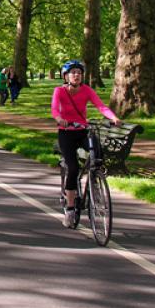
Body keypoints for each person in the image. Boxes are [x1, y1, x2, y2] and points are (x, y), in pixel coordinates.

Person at [51, 59, 121, 228]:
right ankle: (69, 208)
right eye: (73, 73)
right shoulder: (59, 91)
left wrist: (113, 117)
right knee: (73, 168)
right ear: (66, 76)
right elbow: (54, 108)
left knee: (97, 155)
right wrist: (60, 119)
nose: (76, 75)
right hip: (66, 133)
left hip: (82, 131)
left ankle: (95, 179)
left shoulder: (87, 90)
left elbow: (101, 106)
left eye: (79, 73)